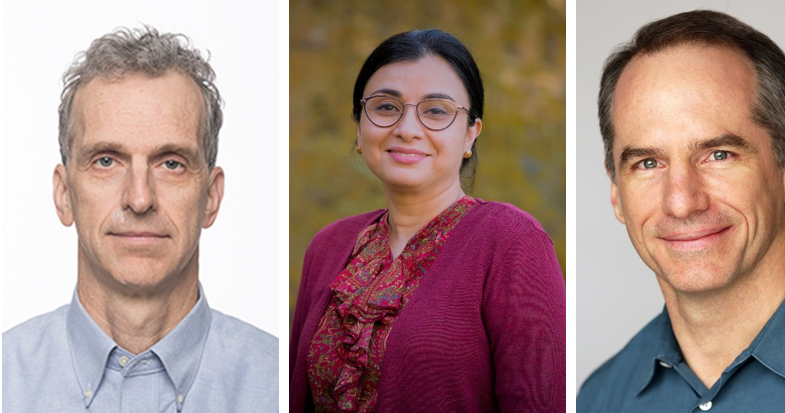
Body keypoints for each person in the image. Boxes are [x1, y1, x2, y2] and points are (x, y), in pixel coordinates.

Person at [577, 10, 785, 412]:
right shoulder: (598, 399)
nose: (682, 202)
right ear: (616, 191)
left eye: (718, 154)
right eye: (648, 163)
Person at [2, 27, 278, 412]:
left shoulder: (278, 382)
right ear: (64, 195)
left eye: (171, 163)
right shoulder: (6, 380)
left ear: (211, 197)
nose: (140, 198)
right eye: (106, 161)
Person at [289, 29, 566, 412]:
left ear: (471, 134)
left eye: (436, 110)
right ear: (359, 125)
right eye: (386, 106)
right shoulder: (329, 246)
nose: (406, 128)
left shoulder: (512, 242)